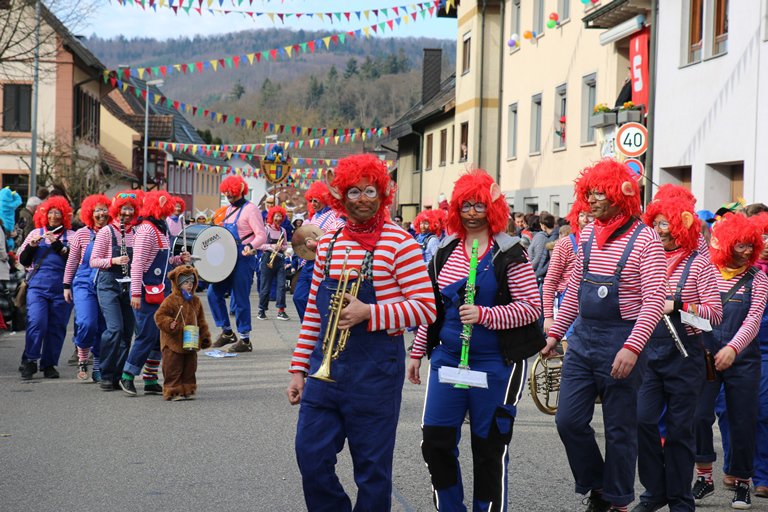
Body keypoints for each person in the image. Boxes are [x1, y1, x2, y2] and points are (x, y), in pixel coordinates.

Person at [286, 153, 436, 511]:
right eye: (354, 192)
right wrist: (298, 367)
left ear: (382, 194)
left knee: (372, 473)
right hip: (325, 370)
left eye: (370, 190)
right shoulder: (329, 243)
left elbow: (426, 307)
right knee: (310, 457)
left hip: (375, 373)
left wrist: (371, 311)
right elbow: (314, 313)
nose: (363, 199)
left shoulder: (402, 244)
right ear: (341, 197)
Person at [407, 169, 541, 511]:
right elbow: (431, 307)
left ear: (492, 209)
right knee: (435, 442)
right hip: (448, 360)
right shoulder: (444, 251)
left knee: (488, 449)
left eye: (479, 206)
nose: (470, 213)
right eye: (465, 205)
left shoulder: (511, 253)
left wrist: (486, 315)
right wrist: (417, 351)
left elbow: (531, 308)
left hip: (497, 363)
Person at [542, 159, 667, 512]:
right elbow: (575, 297)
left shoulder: (646, 241)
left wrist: (632, 347)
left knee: (619, 430)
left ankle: (616, 500)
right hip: (583, 340)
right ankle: (597, 483)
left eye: (601, 193)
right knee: (568, 420)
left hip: (623, 339)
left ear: (620, 196)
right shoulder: (584, 237)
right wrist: (555, 334)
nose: (592, 200)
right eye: (590, 193)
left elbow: (654, 301)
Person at [633, 188, 723, 512]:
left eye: (665, 224)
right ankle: (655, 492)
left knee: (679, 432)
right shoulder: (644, 260)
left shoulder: (699, 266)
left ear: (679, 227)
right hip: (649, 355)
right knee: (642, 421)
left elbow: (713, 317)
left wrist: (680, 307)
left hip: (685, 358)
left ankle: (680, 499)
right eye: (654, 224)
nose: (658, 231)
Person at [692, 212, 768, 509]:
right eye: (741, 246)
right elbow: (697, 310)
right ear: (726, 245)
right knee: (699, 416)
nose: (748, 251)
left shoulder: (759, 278)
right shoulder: (707, 271)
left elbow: (753, 320)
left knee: (742, 421)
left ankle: (741, 482)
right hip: (707, 356)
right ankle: (705, 477)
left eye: (751, 245)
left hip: (744, 359)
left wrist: (733, 349)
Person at [120, 190, 191, 397]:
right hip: (145, 290)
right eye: (166, 206)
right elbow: (138, 263)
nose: (169, 210)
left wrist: (179, 259)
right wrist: (135, 293)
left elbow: (162, 261)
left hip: (161, 291)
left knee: (162, 335)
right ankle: (127, 375)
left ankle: (150, 378)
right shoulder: (146, 230)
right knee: (146, 334)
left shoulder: (162, 228)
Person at [18, 197, 75, 380]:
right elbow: (23, 260)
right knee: (37, 322)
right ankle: (30, 360)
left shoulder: (72, 236)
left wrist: (57, 245)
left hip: (62, 288)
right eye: (50, 212)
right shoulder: (35, 233)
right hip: (38, 287)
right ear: (44, 214)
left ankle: (49, 364)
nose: (53, 216)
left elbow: (75, 261)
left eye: (57, 212)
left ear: (64, 215)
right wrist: (32, 248)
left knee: (57, 327)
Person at [207, 175, 267, 352]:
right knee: (213, 293)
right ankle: (226, 331)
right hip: (227, 257)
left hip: (244, 258)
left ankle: (245, 339)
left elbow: (261, 235)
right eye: (226, 193)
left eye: (231, 193)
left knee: (240, 298)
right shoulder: (226, 210)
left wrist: (250, 245)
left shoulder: (251, 209)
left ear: (240, 190)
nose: (228, 196)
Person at [90, 190, 141, 391]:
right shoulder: (105, 232)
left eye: (130, 209)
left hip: (128, 285)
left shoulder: (136, 233)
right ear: (117, 210)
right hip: (108, 283)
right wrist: (114, 260)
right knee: (114, 329)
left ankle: (117, 375)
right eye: (123, 209)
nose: (127, 213)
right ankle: (105, 371)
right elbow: (94, 261)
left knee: (128, 332)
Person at [63, 194, 111, 382]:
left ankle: (98, 363)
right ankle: (83, 356)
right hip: (84, 283)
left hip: (106, 283)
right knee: (86, 322)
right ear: (90, 212)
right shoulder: (81, 234)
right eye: (97, 210)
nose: (101, 213)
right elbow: (72, 261)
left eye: (104, 209)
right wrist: (66, 285)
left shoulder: (113, 232)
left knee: (103, 326)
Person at [154, 264, 211, 401]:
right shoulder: (171, 300)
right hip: (172, 342)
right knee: (173, 367)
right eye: (186, 282)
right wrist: (169, 323)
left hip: (190, 340)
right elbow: (159, 316)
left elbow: (201, 320)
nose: (189, 285)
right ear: (178, 284)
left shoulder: (195, 301)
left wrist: (204, 337)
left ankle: (187, 388)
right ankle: (173, 390)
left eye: (192, 282)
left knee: (190, 367)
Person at [292, 181, 344, 322]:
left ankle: (317, 329)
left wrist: (318, 243)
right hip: (308, 263)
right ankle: (309, 326)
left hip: (321, 263)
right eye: (312, 200)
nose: (314, 203)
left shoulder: (335, 216)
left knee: (318, 301)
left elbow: (335, 237)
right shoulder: (314, 217)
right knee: (298, 297)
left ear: (325, 200)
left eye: (317, 200)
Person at [542, 199, 591, 336]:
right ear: (576, 218)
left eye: (590, 215)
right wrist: (548, 316)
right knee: (569, 353)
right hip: (567, 305)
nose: (586, 219)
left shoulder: (602, 245)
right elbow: (551, 280)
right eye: (582, 215)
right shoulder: (565, 244)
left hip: (592, 306)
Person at [258, 205, 289, 321]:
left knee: (281, 286)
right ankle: (262, 310)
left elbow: (285, 245)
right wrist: (271, 246)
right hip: (267, 258)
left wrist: (282, 247)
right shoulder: (265, 229)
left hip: (279, 259)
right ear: (272, 217)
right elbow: (259, 245)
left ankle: (281, 310)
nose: (279, 218)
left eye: (280, 216)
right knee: (265, 286)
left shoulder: (283, 231)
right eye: (277, 216)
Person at [529, 211, 558, 284]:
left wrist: (536, 273)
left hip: (545, 276)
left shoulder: (550, 238)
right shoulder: (552, 236)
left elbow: (545, 260)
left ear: (543, 226)